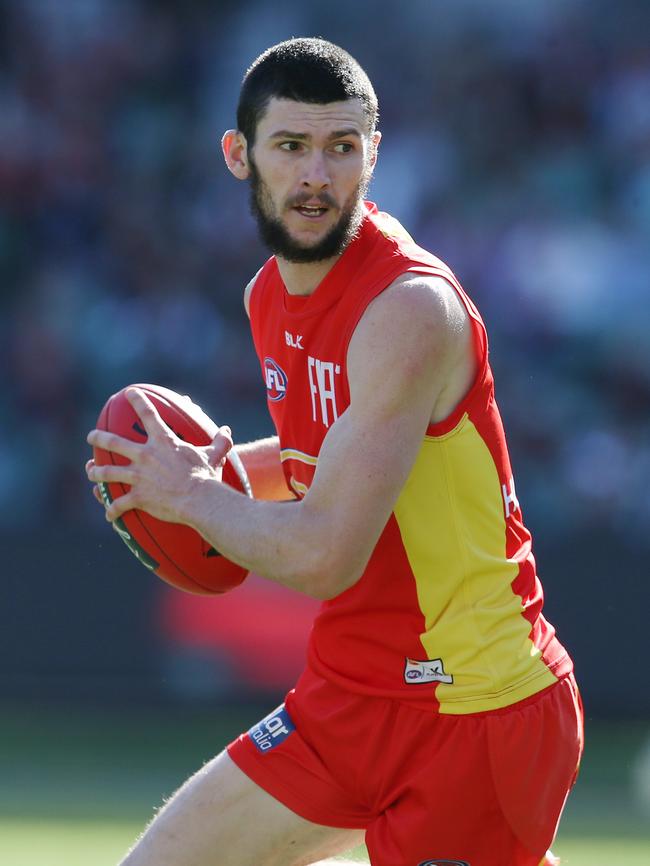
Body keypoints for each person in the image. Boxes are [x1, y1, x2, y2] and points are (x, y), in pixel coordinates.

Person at [86, 37, 583, 866]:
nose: (317, 175)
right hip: (348, 696)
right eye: (291, 147)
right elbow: (329, 453)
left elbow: (325, 553)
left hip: (476, 709)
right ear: (239, 156)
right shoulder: (267, 295)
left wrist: (192, 497)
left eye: (341, 147)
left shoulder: (409, 310)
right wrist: (218, 475)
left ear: (374, 155)